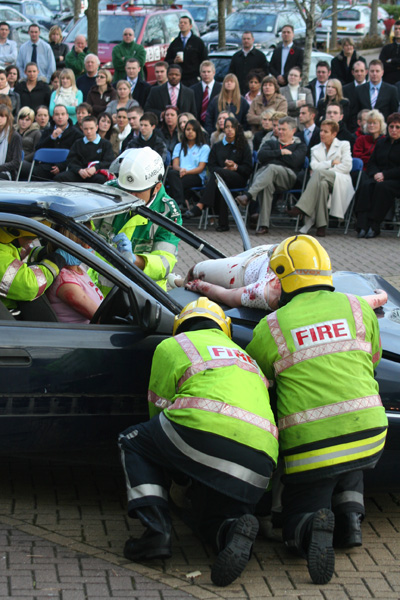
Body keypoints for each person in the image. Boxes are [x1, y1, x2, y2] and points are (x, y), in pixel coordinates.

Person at [246, 235, 388, 585]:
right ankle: (350, 518)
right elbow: (372, 361)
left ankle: (307, 527)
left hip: (312, 446)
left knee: (295, 519)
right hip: (371, 432)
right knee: (348, 449)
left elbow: (261, 385)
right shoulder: (358, 308)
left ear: (281, 278)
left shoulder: (271, 327)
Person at [119, 297, 278, 587]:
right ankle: (231, 530)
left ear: (180, 327)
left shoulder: (173, 346)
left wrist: (176, 469)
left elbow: (158, 408)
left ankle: (156, 533)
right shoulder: (246, 357)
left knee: (133, 441)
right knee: (207, 517)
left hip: (200, 433)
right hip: (261, 462)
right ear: (224, 329)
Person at [103, 147, 182, 290]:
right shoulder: (109, 192)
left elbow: (165, 263)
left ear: (157, 187)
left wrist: (135, 260)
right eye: (125, 189)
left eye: (137, 192)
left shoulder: (168, 212)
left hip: (143, 292)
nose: (129, 195)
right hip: (99, 288)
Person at [236, 116, 307, 235]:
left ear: (293, 130)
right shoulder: (270, 143)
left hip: (288, 177)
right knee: (267, 183)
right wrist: (281, 152)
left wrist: (273, 157)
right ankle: (264, 225)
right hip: (267, 177)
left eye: (284, 129)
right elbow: (261, 156)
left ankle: (248, 195)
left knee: (271, 168)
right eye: (279, 129)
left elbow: (295, 161)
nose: (280, 132)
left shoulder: (300, 146)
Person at [184, 117, 252, 231]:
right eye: (227, 127)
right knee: (220, 181)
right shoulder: (217, 146)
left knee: (218, 176)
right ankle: (223, 224)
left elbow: (248, 168)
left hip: (238, 178)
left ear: (236, 128)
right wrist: (224, 169)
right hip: (219, 179)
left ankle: (200, 206)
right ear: (223, 129)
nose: (229, 130)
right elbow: (211, 166)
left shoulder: (243, 145)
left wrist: (235, 167)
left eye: (232, 127)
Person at [287, 120, 353, 237]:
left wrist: (326, 170)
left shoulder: (344, 145)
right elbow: (314, 166)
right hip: (322, 180)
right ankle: (321, 226)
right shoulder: (315, 148)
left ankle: (302, 207)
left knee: (319, 174)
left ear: (334, 134)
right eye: (321, 131)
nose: (321, 134)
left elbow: (347, 167)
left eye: (326, 131)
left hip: (340, 179)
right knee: (322, 184)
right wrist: (332, 162)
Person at [0, 221, 67, 311]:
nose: (31, 241)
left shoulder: (7, 244)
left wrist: (45, 252)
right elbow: (30, 285)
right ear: (13, 232)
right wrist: (55, 261)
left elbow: (19, 260)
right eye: (31, 237)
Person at [355, 112, 400, 238]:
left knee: (382, 188)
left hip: (395, 180)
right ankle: (362, 225)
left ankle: (374, 225)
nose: (394, 130)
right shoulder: (381, 143)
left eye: (397, 127)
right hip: (379, 177)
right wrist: (375, 174)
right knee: (366, 185)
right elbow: (372, 163)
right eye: (391, 126)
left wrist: (384, 175)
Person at [46, 225, 103, 323]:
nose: (91, 245)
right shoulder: (66, 281)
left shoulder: (78, 268)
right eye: (89, 240)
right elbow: (102, 320)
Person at [55, 115, 114, 183]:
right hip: (79, 173)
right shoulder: (77, 143)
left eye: (91, 128)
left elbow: (108, 161)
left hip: (96, 173)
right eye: (86, 129)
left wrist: (95, 168)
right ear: (82, 128)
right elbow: (71, 161)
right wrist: (79, 170)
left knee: (101, 180)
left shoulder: (105, 144)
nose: (89, 131)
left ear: (96, 128)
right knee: (59, 178)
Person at [32, 104, 83, 181]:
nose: (60, 117)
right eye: (57, 114)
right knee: (33, 171)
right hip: (47, 166)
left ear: (67, 116)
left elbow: (77, 155)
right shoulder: (48, 131)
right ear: (53, 117)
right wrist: (52, 137)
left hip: (67, 167)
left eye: (62, 114)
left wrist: (61, 166)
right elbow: (38, 149)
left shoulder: (76, 134)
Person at [167, 118, 210, 209]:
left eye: (193, 130)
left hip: (196, 176)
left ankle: (180, 204)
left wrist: (186, 172)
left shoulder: (204, 147)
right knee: (171, 173)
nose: (190, 132)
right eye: (188, 129)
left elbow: (201, 168)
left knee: (174, 183)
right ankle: (181, 203)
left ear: (198, 132)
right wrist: (180, 170)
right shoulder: (179, 146)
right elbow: (175, 165)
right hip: (180, 173)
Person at [165, 15, 208, 87]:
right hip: (179, 79)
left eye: (185, 23)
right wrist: (174, 61)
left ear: (190, 26)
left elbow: (204, 60)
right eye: (181, 23)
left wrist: (201, 75)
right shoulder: (175, 43)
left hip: (194, 79)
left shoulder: (197, 42)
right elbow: (166, 61)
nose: (182, 24)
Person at [352, 60, 399, 125]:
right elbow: (354, 113)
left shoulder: (392, 90)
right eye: (372, 71)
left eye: (377, 71)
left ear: (382, 72)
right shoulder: (359, 90)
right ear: (368, 72)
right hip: (364, 130)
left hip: (384, 130)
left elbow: (394, 113)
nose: (374, 74)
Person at [190, 60, 222, 126]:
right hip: (197, 125)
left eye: (208, 72)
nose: (206, 74)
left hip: (216, 125)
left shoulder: (221, 89)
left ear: (214, 73)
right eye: (204, 72)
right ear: (200, 73)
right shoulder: (192, 90)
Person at [14, 106, 41, 180]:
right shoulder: (12, 131)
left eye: (27, 120)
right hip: (12, 160)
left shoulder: (36, 133)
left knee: (17, 164)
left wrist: (21, 159)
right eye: (21, 119)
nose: (24, 122)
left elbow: (36, 152)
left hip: (27, 162)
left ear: (32, 121)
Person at [343, 61, 369, 131]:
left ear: (366, 72)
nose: (359, 74)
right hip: (350, 128)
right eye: (356, 71)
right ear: (352, 72)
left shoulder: (371, 88)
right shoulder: (345, 89)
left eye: (361, 71)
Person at [0, 104, 22, 180]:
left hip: (8, 173)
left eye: (2, 116)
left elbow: (16, 162)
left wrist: (0, 167)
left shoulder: (15, 136)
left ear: (8, 118)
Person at [379, 20, 400, 85]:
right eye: (396, 29)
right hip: (388, 83)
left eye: (399, 29)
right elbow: (381, 65)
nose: (397, 31)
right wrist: (397, 67)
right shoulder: (386, 48)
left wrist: (392, 61)